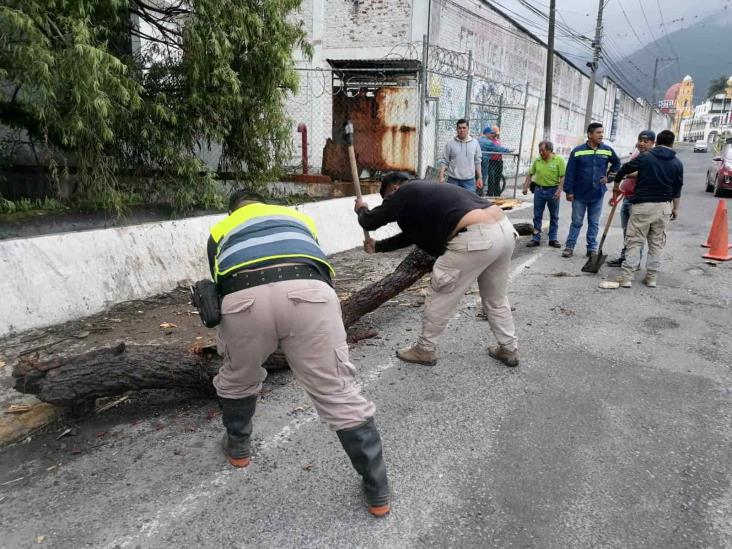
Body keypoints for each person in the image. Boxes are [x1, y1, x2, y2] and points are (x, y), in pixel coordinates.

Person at [207, 189, 390, 517]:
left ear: (233, 209)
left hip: (243, 300)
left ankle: (238, 448)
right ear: (265, 203)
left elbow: (218, 283)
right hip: (310, 294)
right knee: (338, 391)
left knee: (238, 377)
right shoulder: (298, 218)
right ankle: (378, 491)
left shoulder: (221, 229)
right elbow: (314, 262)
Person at [354, 172, 519, 367]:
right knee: (496, 298)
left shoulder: (405, 191)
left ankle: (425, 349)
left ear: (394, 189)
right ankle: (509, 348)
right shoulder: (430, 192)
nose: (391, 205)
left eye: (388, 200)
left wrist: (362, 210)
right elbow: (411, 237)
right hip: (504, 230)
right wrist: (378, 246)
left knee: (440, 294)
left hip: (476, 236)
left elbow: (370, 222)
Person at [612, 129, 683, 288]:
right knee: (656, 243)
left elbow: (623, 170)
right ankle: (651, 278)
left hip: (643, 206)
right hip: (664, 207)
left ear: (656, 142)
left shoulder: (645, 157)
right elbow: (677, 189)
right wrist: (675, 209)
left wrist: (616, 187)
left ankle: (627, 277)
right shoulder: (677, 163)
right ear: (672, 143)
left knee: (634, 242)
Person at [561, 122, 621, 258]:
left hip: (598, 193)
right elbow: (570, 172)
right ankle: (569, 247)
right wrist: (569, 191)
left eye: (602, 132)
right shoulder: (578, 151)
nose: (601, 135)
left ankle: (592, 248)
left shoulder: (607, 150)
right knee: (576, 222)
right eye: (598, 132)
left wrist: (609, 177)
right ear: (590, 134)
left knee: (594, 223)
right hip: (579, 194)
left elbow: (617, 163)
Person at [607, 130, 656, 267]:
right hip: (627, 197)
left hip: (638, 201)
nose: (641, 143)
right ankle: (626, 257)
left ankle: (634, 262)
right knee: (627, 232)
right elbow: (628, 174)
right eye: (640, 140)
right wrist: (618, 191)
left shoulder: (651, 157)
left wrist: (625, 173)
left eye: (646, 141)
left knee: (636, 234)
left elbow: (641, 173)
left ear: (653, 143)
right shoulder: (636, 154)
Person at [522, 140, 565, 248]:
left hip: (553, 191)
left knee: (554, 216)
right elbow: (530, 174)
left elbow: (563, 177)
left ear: (550, 150)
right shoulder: (537, 160)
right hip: (539, 191)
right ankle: (536, 238)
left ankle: (553, 239)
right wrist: (525, 187)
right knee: (537, 216)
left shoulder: (558, 160)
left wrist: (559, 190)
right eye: (540, 150)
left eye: (543, 151)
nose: (541, 153)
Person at [437, 119, 483, 194]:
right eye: (459, 128)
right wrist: (441, 176)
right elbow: (445, 161)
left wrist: (480, 178)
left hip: (469, 181)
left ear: (468, 129)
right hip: (453, 180)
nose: (462, 130)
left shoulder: (475, 143)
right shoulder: (450, 143)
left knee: (469, 203)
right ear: (456, 129)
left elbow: (477, 162)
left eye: (464, 128)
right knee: (452, 202)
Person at [479, 125, 512, 197]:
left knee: (479, 179)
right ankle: (480, 196)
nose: (493, 134)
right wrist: (508, 150)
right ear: (487, 133)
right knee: (483, 179)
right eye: (491, 133)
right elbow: (498, 149)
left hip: (482, 162)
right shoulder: (488, 142)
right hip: (486, 162)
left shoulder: (479, 139)